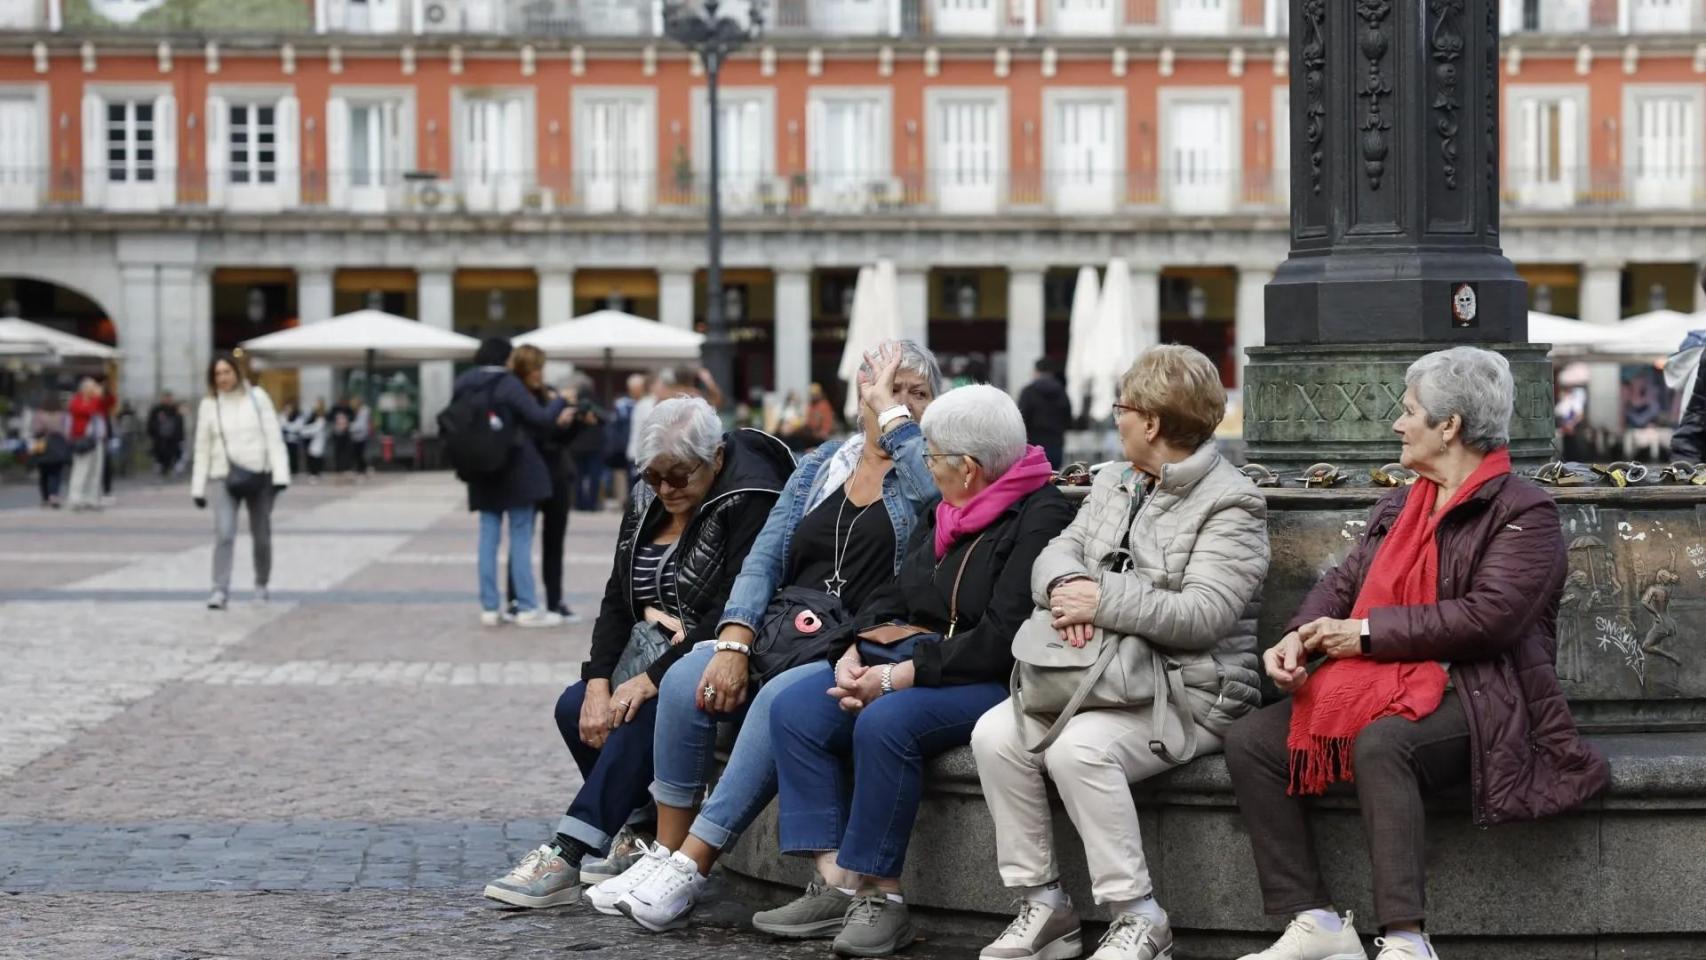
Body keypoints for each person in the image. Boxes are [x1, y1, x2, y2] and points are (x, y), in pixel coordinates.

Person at [1224, 347, 1610, 960]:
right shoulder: (1400, 504)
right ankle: (1317, 921)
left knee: (1386, 741)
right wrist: (1297, 636)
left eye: (1409, 412)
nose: (1397, 425)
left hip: (1482, 694)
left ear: (1449, 425)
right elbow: (1340, 583)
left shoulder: (1524, 512)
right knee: (1251, 742)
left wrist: (1368, 635)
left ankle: (1406, 937)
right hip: (1381, 682)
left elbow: (1490, 619)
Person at [590, 341, 944, 931]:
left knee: (783, 699)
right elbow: (763, 559)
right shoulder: (819, 466)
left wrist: (899, 425)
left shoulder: (933, 469)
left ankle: (692, 867)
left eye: (916, 393)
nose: (897, 404)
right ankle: (665, 854)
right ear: (856, 399)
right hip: (788, 628)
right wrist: (732, 642)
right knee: (682, 679)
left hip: (860, 644)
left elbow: (938, 512)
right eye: (884, 391)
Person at [972, 345, 1269, 960]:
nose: (1116, 419)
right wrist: (1063, 590)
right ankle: (1042, 904)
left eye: (1123, 408)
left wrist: (1098, 600)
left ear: (1153, 422)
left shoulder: (1231, 502)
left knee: (1081, 749)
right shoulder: (1112, 481)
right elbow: (1056, 553)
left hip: (1194, 689)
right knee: (994, 734)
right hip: (1097, 674)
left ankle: (1138, 915)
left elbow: (1204, 614)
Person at [759, 384, 1074, 957]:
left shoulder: (1041, 513)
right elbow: (892, 592)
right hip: (911, 659)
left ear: (970, 468)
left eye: (931, 458)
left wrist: (899, 677)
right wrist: (855, 649)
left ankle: (884, 898)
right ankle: (836, 880)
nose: (925, 468)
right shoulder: (945, 507)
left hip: (987, 678)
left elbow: (1002, 638)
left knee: (885, 724)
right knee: (797, 709)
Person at [483, 396, 793, 909]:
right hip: (653, 652)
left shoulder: (750, 497)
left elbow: (736, 605)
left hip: (724, 657)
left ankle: (568, 849)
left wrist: (650, 677)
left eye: (678, 476)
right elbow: (615, 596)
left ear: (714, 459)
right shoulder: (647, 498)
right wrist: (599, 678)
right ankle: (641, 829)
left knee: (646, 707)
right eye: (653, 477)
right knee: (574, 704)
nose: (666, 489)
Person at [452, 337, 573, 628]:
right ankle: (528, 607)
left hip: (480, 469)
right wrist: (560, 400)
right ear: (507, 358)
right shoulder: (508, 383)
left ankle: (490, 607)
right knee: (520, 535)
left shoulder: (463, 382)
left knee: (487, 537)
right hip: (515, 470)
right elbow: (540, 418)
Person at [191, 354, 291, 610]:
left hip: (260, 473)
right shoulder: (209, 405)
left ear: (237, 372)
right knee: (224, 532)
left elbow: (273, 437)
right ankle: (219, 589)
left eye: (227, 372)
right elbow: (202, 447)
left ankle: (261, 584)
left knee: (261, 535)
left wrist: (280, 476)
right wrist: (197, 488)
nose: (223, 378)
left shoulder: (258, 398)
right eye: (217, 374)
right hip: (222, 474)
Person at [503, 346, 581, 623]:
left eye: (541, 368)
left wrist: (574, 424)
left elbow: (557, 438)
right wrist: (556, 410)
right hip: (529, 476)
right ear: (523, 369)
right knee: (521, 538)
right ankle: (515, 599)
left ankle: (554, 600)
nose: (540, 374)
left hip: (557, 474)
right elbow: (534, 433)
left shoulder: (547, 393)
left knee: (554, 540)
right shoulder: (518, 398)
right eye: (535, 369)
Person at [1017, 357, 1073, 470]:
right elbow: (1068, 418)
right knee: (1055, 480)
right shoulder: (1061, 391)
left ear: (1036, 371)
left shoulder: (1028, 392)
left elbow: (1020, 419)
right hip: (1056, 446)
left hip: (1034, 447)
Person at [65, 377, 110, 511]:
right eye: (90, 387)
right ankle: (75, 499)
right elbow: (86, 411)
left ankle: (92, 499)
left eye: (94, 387)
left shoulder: (97, 401)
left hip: (97, 439)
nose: (93, 390)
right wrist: (96, 399)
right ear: (83, 389)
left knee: (96, 470)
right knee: (80, 470)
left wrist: (104, 393)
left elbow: (110, 403)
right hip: (82, 440)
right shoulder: (76, 401)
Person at [568, 379, 608, 511]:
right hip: (595, 446)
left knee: (578, 477)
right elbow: (605, 420)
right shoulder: (597, 402)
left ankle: (579, 503)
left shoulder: (574, 403)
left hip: (576, 446)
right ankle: (592, 504)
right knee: (594, 476)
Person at [29, 403, 70, 508]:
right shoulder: (62, 415)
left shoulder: (39, 415)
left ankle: (45, 498)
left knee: (43, 474)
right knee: (55, 474)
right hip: (57, 445)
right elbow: (66, 431)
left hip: (42, 445)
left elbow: (35, 429)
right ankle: (54, 495)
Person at [147, 391, 186, 478]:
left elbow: (179, 424)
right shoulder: (156, 410)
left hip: (173, 439)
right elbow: (151, 423)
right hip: (160, 439)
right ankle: (162, 469)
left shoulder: (175, 410)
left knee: (174, 454)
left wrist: (181, 437)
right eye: (166, 398)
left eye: (169, 398)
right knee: (160, 454)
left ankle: (171, 469)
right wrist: (153, 433)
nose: (168, 400)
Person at [301, 400, 328, 482]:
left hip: (317, 441)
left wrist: (304, 431)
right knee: (313, 456)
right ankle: (314, 473)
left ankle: (315, 473)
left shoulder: (321, 419)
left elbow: (315, 429)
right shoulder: (315, 417)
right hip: (313, 441)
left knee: (316, 457)